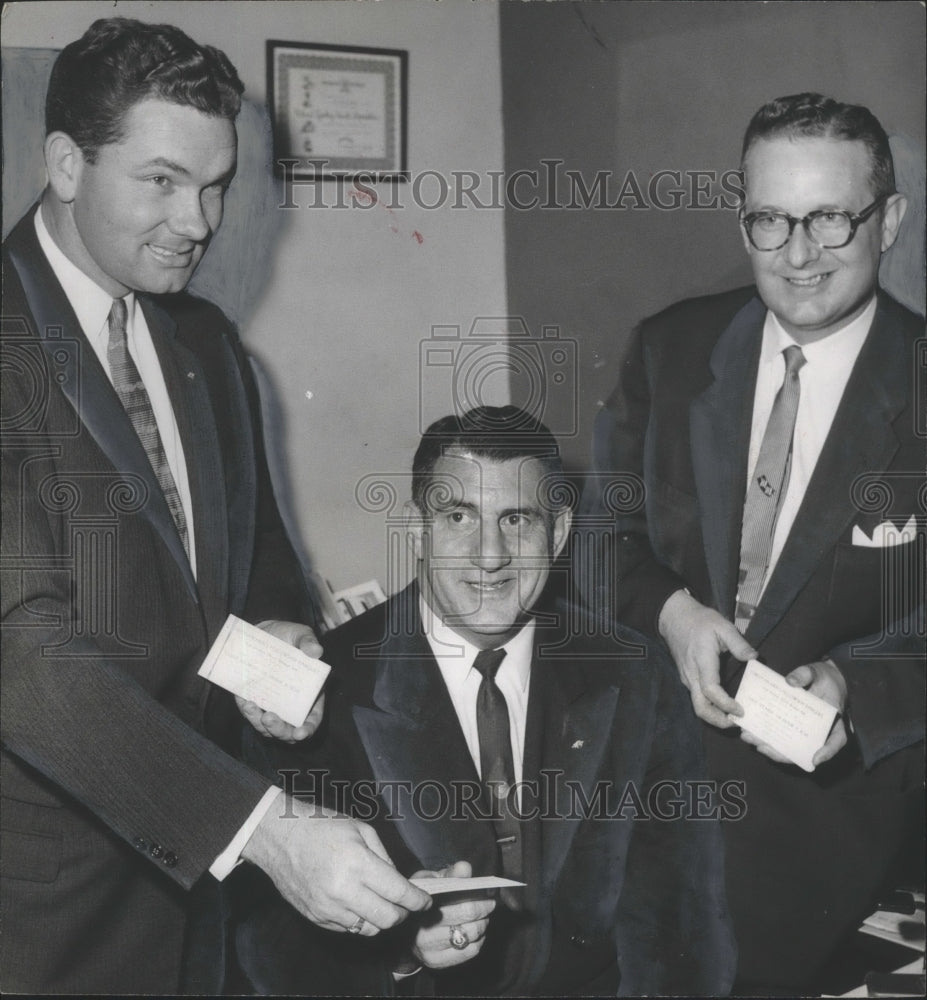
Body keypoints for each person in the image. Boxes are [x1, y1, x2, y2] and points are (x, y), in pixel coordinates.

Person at [0, 18, 428, 995]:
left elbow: (257, 560)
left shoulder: (206, 343)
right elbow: (23, 657)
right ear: (66, 164)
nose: (198, 220)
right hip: (40, 919)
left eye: (217, 184)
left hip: (194, 903)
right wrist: (260, 828)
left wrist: (275, 655)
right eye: (160, 181)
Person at [582, 93, 925, 994]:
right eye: (769, 221)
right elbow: (597, 540)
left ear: (888, 219)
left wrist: (856, 682)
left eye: (828, 220)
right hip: (637, 798)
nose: (797, 256)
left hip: (830, 829)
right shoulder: (668, 349)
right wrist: (672, 612)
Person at [236, 405, 736, 996]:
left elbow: (680, 920)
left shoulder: (633, 673)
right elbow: (267, 951)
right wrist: (400, 950)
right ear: (417, 528)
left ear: (559, 531)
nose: (490, 554)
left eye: (518, 519)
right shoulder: (323, 687)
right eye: (458, 516)